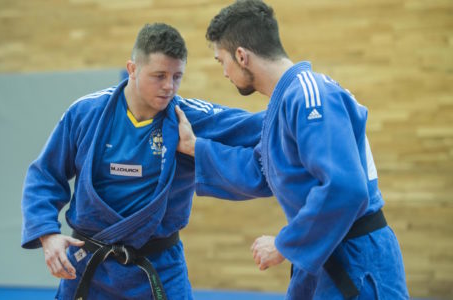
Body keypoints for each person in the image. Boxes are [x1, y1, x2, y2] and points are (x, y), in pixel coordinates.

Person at [174, 0, 409, 299]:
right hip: (326, 257)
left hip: (357, 261)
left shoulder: (312, 95)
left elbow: (346, 188)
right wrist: (197, 149)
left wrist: (284, 243)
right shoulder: (285, 103)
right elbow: (260, 170)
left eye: (222, 61)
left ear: (242, 56)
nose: (224, 73)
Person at [21, 23, 270, 300]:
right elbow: (45, 175)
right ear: (132, 69)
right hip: (90, 264)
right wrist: (47, 234)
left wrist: (311, 97)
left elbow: (263, 126)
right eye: (159, 75)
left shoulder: (188, 118)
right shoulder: (86, 112)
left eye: (177, 76)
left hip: (158, 266)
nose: (169, 87)